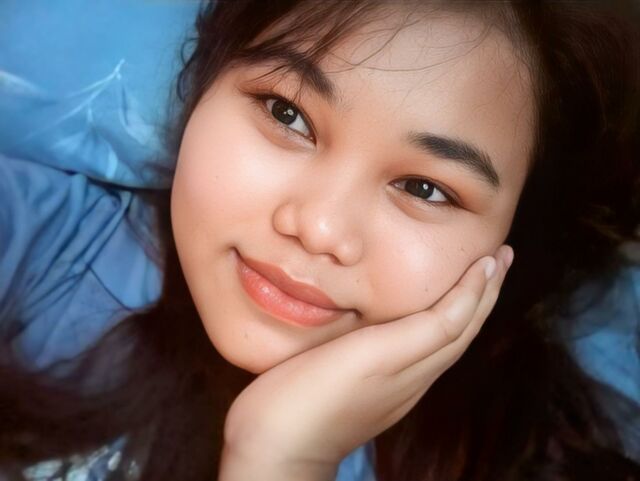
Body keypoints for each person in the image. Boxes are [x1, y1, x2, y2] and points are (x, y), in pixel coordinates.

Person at [1, 1, 639, 480]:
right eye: (288, 114)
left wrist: (282, 459)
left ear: (511, 236)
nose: (320, 229)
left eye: (424, 188)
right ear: (202, 85)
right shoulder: (47, 240)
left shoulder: (529, 450)